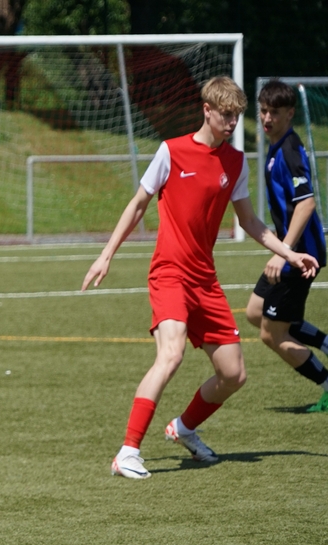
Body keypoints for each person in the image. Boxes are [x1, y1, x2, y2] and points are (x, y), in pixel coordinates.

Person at [81, 76, 319, 480]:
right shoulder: (171, 151)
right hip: (169, 273)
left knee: (234, 374)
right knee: (170, 355)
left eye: (236, 116)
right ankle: (127, 452)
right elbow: (138, 205)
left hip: (205, 280)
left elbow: (250, 222)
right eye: (225, 115)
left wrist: (289, 253)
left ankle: (184, 428)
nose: (232, 123)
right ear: (206, 110)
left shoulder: (235, 161)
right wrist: (106, 255)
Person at [244, 80, 328, 412]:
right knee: (255, 312)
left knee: (271, 334)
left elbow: (306, 203)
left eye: (275, 113)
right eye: (263, 111)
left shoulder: (290, 149)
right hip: (291, 252)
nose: (267, 118)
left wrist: (285, 253)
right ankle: (324, 342)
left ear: (290, 114)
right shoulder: (276, 147)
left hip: (301, 256)